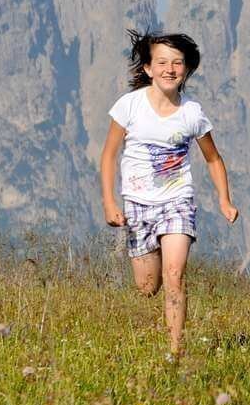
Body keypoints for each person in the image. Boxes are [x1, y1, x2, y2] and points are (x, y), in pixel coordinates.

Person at [99, 31, 239, 360]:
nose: (170, 69)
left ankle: (175, 353)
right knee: (148, 286)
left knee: (175, 275)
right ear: (148, 68)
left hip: (178, 202)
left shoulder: (192, 113)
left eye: (177, 63)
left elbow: (213, 158)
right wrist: (109, 201)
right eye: (162, 62)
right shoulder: (129, 105)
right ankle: (154, 265)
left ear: (187, 70)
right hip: (137, 203)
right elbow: (108, 155)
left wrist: (224, 200)